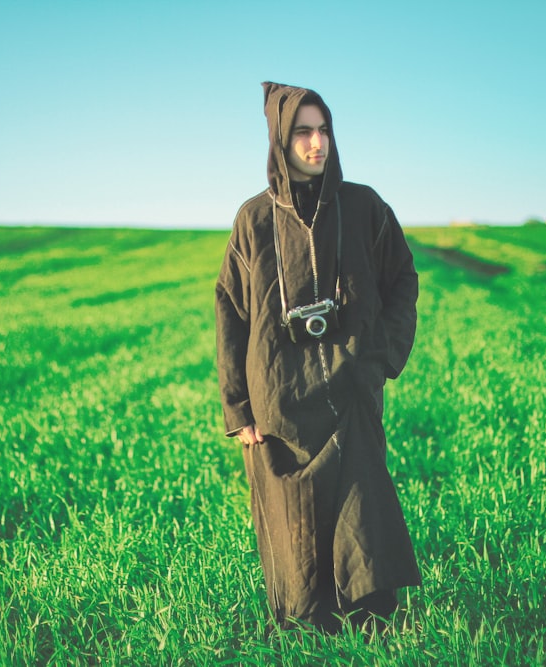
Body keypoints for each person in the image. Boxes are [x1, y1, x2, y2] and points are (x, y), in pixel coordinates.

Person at [215, 82, 421, 634]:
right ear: (281, 141)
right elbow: (231, 313)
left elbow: (402, 279)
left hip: (352, 392)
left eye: (323, 129)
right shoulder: (253, 221)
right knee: (296, 542)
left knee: (363, 526)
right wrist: (240, 409)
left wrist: (382, 357)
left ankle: (375, 627)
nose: (316, 143)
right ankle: (310, 630)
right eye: (302, 132)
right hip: (279, 403)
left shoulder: (363, 208)